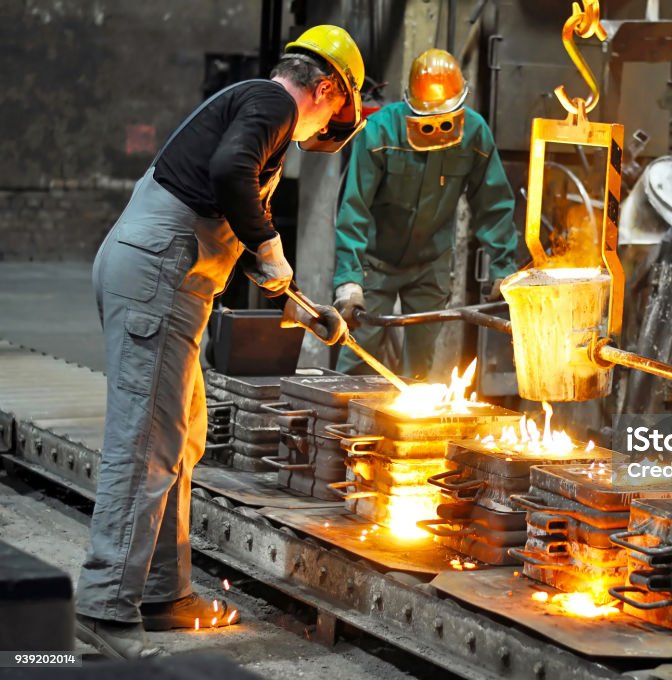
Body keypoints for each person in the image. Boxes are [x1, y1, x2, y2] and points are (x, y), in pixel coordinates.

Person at [76, 26, 363, 659]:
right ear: (324, 89)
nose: (324, 131)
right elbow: (229, 171)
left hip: (166, 276)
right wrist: (268, 245)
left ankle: (162, 592)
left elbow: (225, 199)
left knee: (182, 436)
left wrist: (297, 298)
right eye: (334, 114)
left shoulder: (256, 107)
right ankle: (103, 609)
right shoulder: (274, 104)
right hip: (158, 275)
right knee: (146, 444)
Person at [332, 48, 518, 380]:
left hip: (430, 265)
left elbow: (493, 204)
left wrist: (503, 267)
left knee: (419, 370)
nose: (438, 130)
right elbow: (354, 207)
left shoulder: (474, 134)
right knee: (358, 358)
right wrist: (349, 278)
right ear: (409, 105)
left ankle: (406, 431)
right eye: (427, 124)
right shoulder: (378, 132)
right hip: (376, 264)